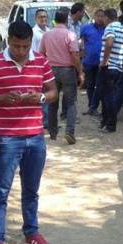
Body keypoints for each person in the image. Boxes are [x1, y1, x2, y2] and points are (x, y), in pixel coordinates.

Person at [0, 19, 58, 244]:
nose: (21, 51)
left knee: (31, 190)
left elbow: (53, 91)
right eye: (16, 46)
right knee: (1, 191)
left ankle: (31, 232)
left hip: (35, 136)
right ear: (8, 41)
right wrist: (3, 99)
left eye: (25, 46)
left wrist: (41, 98)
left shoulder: (41, 61)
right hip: (7, 138)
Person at [40, 10, 82, 144]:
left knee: (52, 101)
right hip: (67, 70)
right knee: (71, 102)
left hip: (51, 70)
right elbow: (75, 55)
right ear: (67, 20)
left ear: (54, 19)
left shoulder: (47, 35)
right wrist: (80, 72)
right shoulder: (70, 34)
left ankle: (52, 132)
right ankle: (70, 132)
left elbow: (41, 54)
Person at [94, 8, 123, 133]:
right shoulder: (122, 29)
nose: (103, 20)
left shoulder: (110, 28)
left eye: (104, 18)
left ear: (107, 18)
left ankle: (111, 125)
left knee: (108, 97)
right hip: (118, 67)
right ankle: (105, 121)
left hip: (108, 67)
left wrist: (104, 61)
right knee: (105, 94)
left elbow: (109, 43)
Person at [80, 9, 107, 116]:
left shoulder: (108, 29)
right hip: (89, 62)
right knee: (90, 85)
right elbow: (81, 44)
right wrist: (81, 61)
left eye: (102, 16)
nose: (100, 18)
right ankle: (91, 107)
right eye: (98, 16)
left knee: (101, 85)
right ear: (94, 16)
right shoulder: (86, 28)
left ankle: (99, 107)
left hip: (103, 63)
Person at [31, 9, 51, 128]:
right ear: (36, 18)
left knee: (48, 94)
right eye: (40, 17)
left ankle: (47, 121)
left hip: (49, 66)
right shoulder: (33, 33)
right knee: (40, 94)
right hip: (38, 67)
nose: (43, 19)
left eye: (45, 17)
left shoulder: (49, 31)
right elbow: (33, 51)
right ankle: (42, 122)